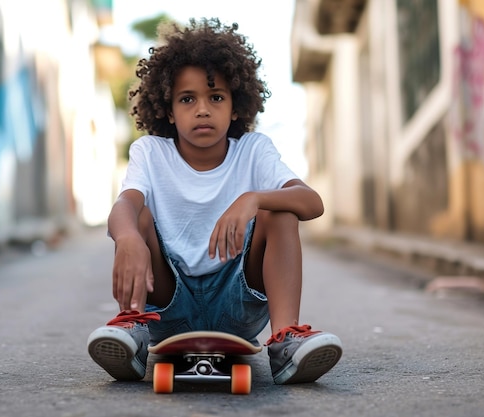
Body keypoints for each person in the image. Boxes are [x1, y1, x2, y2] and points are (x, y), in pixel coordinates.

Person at [87, 17, 342, 385]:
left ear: (236, 106)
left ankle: (285, 343)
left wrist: (253, 198)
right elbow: (125, 205)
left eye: (216, 97)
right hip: (166, 305)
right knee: (136, 216)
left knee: (281, 209)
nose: (202, 109)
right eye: (187, 99)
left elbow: (311, 202)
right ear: (168, 110)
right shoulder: (150, 152)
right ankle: (133, 334)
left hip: (239, 303)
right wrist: (127, 237)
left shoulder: (254, 150)